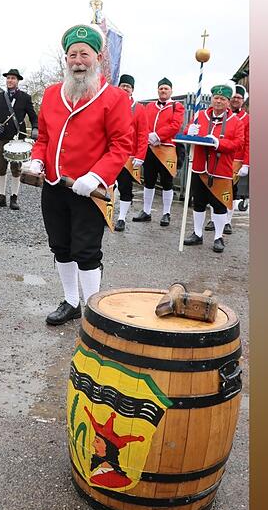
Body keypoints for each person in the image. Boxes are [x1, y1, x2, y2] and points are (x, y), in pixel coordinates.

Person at [27, 24, 133, 325]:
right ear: (66, 59)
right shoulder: (50, 94)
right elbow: (44, 138)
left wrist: (97, 176)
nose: (78, 61)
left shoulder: (113, 97)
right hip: (54, 186)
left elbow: (121, 145)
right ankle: (72, 302)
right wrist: (37, 161)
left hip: (88, 189)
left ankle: (93, 311)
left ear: (97, 57)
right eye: (72, 55)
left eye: (84, 54)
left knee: (86, 250)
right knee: (60, 245)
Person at [183, 84, 246, 253]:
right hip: (199, 167)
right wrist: (190, 131)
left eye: (222, 99)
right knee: (199, 202)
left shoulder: (236, 122)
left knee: (219, 205)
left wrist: (219, 143)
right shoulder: (200, 116)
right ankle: (197, 234)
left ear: (228, 102)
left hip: (221, 170)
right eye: (216, 98)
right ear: (211, 99)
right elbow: (188, 133)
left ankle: (218, 237)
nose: (218, 101)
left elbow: (238, 143)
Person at [131, 78, 183, 227]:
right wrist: (148, 135)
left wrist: (158, 135)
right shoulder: (149, 106)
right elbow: (143, 123)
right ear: (157, 90)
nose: (163, 91)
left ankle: (166, 213)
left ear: (171, 91)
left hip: (166, 148)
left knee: (167, 182)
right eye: (161, 88)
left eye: (166, 88)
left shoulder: (176, 106)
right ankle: (146, 211)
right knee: (149, 180)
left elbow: (176, 125)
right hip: (150, 147)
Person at [0, 68, 38, 210]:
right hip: (1, 137)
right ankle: (1, 196)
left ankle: (14, 198)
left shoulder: (25, 98)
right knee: (0, 166)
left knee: (16, 169)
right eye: (8, 78)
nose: (10, 80)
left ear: (18, 81)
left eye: (13, 78)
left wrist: (35, 128)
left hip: (18, 139)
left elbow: (33, 117)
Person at [205, 84, 249, 234]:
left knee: (231, 191)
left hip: (236, 160)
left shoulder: (246, 119)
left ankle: (227, 221)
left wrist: (247, 164)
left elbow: (248, 142)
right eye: (234, 97)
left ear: (243, 100)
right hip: (217, 157)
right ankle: (213, 219)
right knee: (214, 188)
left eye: (239, 97)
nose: (236, 100)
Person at [114, 74, 148, 232]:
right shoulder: (111, 103)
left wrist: (141, 156)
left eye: (128, 86)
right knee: (106, 186)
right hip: (110, 153)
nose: (125, 88)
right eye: (123, 86)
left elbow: (143, 134)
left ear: (132, 90)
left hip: (128, 156)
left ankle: (121, 218)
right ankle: (104, 215)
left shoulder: (139, 109)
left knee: (125, 188)